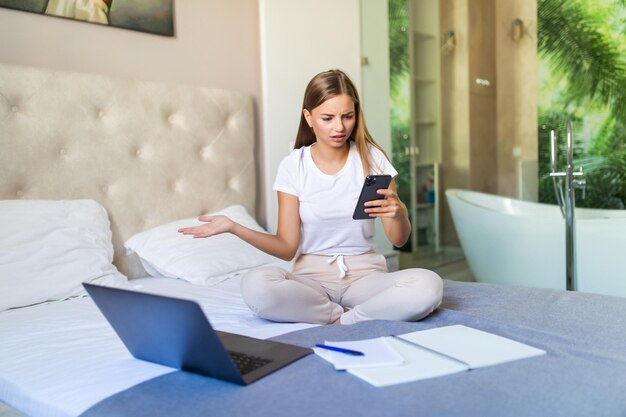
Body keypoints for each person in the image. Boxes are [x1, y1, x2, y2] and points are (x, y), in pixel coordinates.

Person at [179, 69, 443, 325]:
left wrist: (400, 213)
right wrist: (235, 227)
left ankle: (348, 320)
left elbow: (398, 239)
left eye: (347, 116)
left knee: (428, 286)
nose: (339, 127)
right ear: (309, 117)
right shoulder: (294, 166)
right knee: (256, 285)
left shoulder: (372, 158)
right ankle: (334, 313)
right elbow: (286, 248)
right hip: (312, 282)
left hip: (365, 278)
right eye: (327, 118)